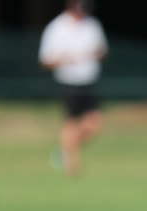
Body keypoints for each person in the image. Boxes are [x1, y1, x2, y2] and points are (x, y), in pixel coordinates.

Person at [37, 0, 107, 177]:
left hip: (89, 79)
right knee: (72, 121)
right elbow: (45, 60)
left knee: (94, 123)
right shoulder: (56, 28)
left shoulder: (92, 24)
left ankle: (65, 149)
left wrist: (94, 54)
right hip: (68, 80)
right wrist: (64, 60)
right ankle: (71, 162)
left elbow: (102, 51)